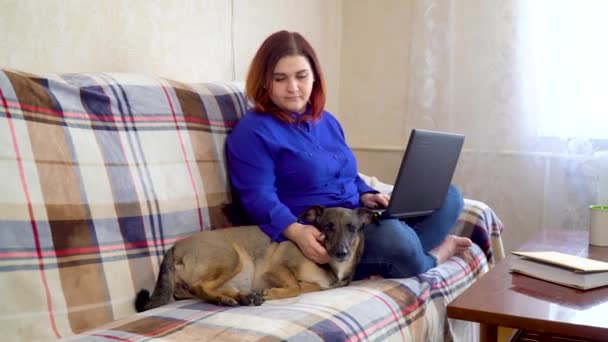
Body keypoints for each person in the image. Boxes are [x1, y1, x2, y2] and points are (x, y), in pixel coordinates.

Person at [225, 30, 472, 280]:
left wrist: (366, 192)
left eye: (301, 76)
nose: (293, 88)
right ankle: (432, 255)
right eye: (280, 79)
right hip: (324, 231)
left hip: (356, 219)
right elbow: (257, 196)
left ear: (315, 78)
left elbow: (347, 173)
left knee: (448, 195)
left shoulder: (327, 121)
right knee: (396, 237)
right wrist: (295, 231)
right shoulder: (252, 131)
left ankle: (403, 255)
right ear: (265, 81)